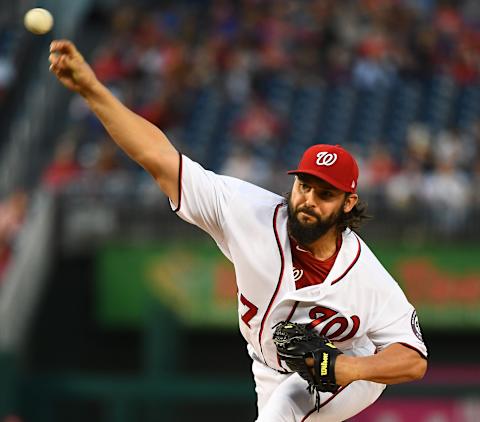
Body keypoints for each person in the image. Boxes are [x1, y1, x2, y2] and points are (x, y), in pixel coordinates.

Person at [49, 40, 428, 422]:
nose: (309, 200)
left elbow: (413, 359)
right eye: (304, 187)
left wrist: (346, 368)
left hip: (350, 371)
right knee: (278, 406)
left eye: (325, 193)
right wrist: (92, 89)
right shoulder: (248, 212)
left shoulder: (363, 274)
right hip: (266, 368)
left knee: (285, 409)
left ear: (348, 203)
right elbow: (160, 159)